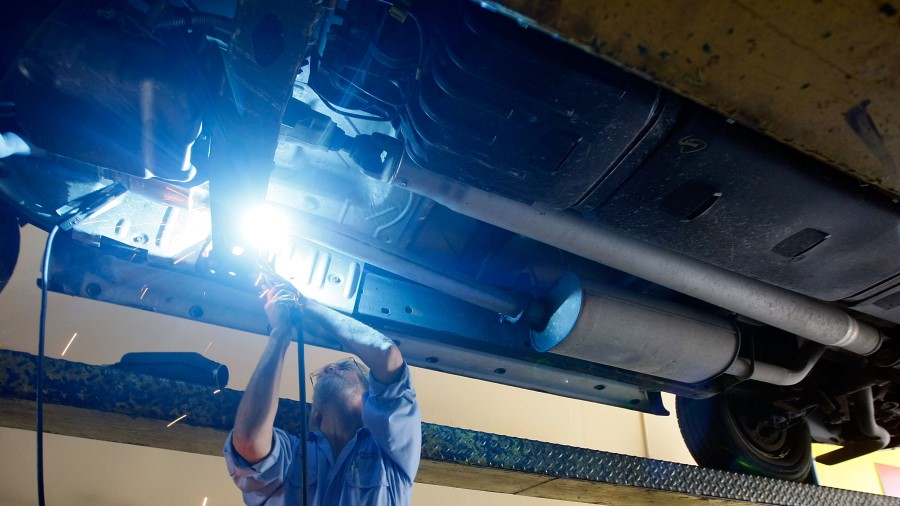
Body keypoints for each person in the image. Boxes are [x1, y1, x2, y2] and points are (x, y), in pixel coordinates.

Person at [224, 285, 422, 505]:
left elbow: (387, 357)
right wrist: (280, 332)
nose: (329, 367)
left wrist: (307, 304)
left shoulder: (391, 455)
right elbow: (249, 440)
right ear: (316, 414)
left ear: (370, 398)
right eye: (327, 372)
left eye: (345, 367)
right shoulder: (292, 454)